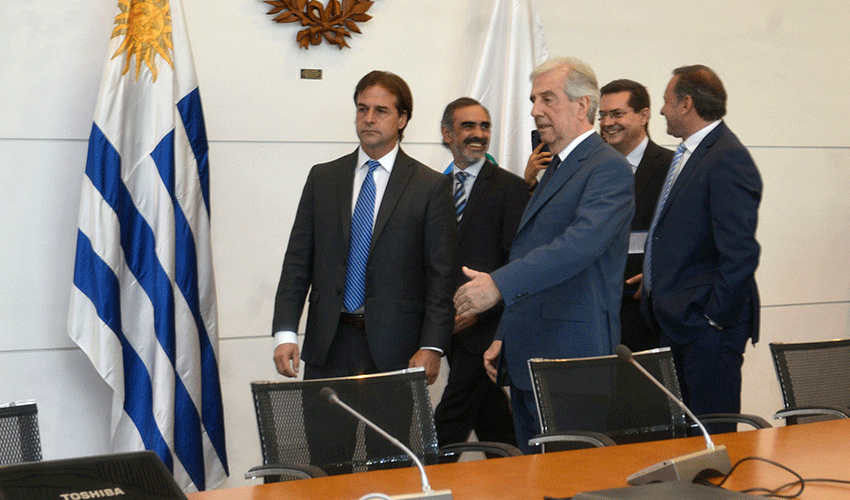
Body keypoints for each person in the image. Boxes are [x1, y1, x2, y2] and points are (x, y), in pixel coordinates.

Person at [270, 70, 457, 469]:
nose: (369, 118)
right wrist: (285, 332)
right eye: (362, 109)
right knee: (324, 465)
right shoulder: (324, 177)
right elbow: (297, 261)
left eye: (381, 111)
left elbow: (441, 277)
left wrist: (433, 345)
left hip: (396, 350)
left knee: (387, 465)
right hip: (328, 345)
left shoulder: (429, 186)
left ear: (402, 119)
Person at [453, 57, 635, 453]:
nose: (535, 110)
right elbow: (530, 253)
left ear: (582, 105)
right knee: (536, 478)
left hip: (572, 359)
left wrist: (497, 285)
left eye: (547, 99)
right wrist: (505, 335)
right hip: (529, 355)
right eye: (534, 99)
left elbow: (577, 248)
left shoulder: (608, 169)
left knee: (571, 479)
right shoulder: (555, 167)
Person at [641, 65, 762, 429]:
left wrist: (714, 319)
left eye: (665, 101)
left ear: (686, 104)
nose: (661, 110)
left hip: (706, 328)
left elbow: (740, 251)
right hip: (679, 321)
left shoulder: (726, 156)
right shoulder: (694, 153)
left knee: (712, 440)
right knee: (686, 443)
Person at [433, 98, 528, 451]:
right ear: (447, 134)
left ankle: (419, 481)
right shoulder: (430, 187)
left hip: (488, 327)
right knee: (493, 423)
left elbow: (517, 261)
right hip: (447, 329)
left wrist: (479, 310)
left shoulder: (511, 187)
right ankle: (524, 480)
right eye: (468, 126)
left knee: (451, 417)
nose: (478, 134)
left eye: (484, 126)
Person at [599, 79, 673, 352]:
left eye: (617, 114)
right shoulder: (590, 170)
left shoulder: (672, 167)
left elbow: (688, 236)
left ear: (644, 115)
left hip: (648, 314)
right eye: (602, 115)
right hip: (596, 310)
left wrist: (660, 273)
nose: (607, 123)